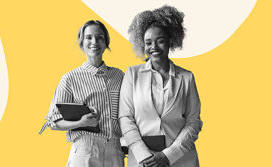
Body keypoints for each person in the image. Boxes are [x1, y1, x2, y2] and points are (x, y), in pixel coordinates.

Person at [119, 5, 203, 167]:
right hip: (143, 161)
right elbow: (125, 118)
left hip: (181, 160)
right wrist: (144, 155)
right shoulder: (132, 74)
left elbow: (193, 122)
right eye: (148, 42)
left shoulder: (187, 77)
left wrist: (168, 155)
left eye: (160, 41)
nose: (154, 47)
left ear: (171, 40)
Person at [40, 20, 125, 167]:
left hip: (115, 150)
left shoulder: (119, 76)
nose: (94, 42)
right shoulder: (70, 79)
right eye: (89, 37)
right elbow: (54, 122)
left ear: (106, 43)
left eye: (100, 37)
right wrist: (82, 123)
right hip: (85, 150)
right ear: (81, 43)